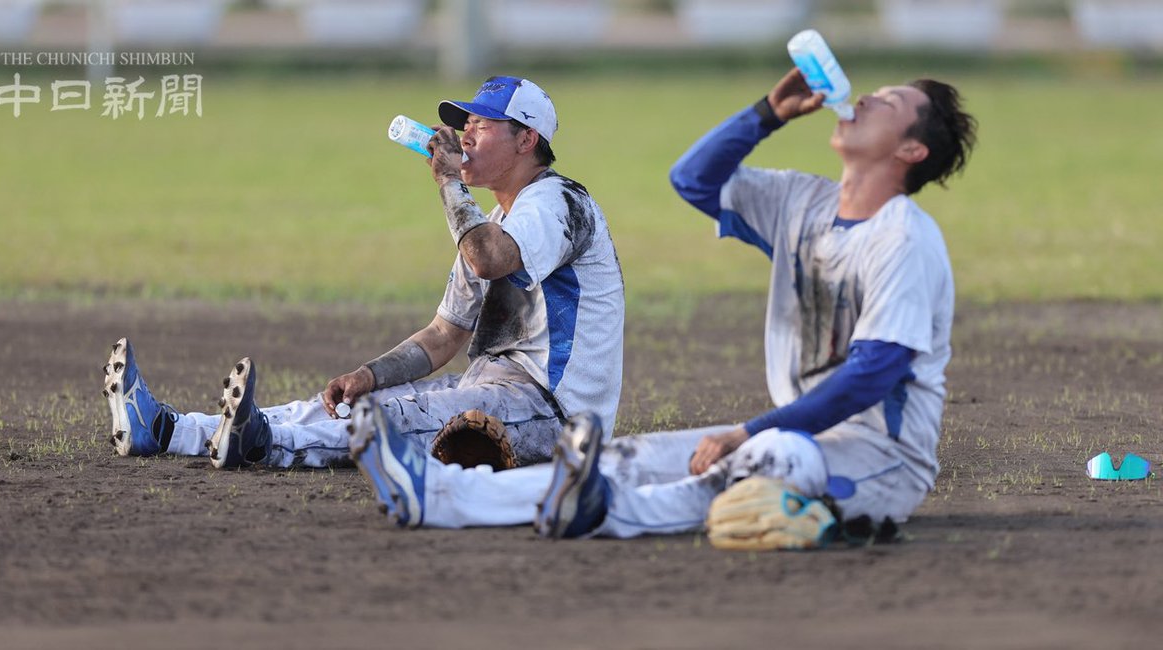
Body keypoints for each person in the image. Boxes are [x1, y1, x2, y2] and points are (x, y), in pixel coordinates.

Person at [350, 67, 976, 543]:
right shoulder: (802, 203)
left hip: (879, 460)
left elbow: (876, 371)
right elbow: (693, 180)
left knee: (768, 456)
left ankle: (610, 514)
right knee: (619, 458)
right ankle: (438, 497)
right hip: (790, 432)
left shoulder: (906, 238)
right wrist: (769, 113)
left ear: (911, 151)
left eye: (888, 104)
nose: (863, 99)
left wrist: (749, 430)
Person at [100, 76, 625, 472]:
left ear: (526, 140)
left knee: (388, 424)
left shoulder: (559, 204)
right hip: (493, 392)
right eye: (464, 125)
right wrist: (368, 375)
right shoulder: (492, 221)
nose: (464, 137)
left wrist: (447, 181)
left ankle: (263, 444)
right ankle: (170, 430)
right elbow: (444, 335)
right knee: (358, 404)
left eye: (481, 127)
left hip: (553, 414)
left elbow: (489, 259)